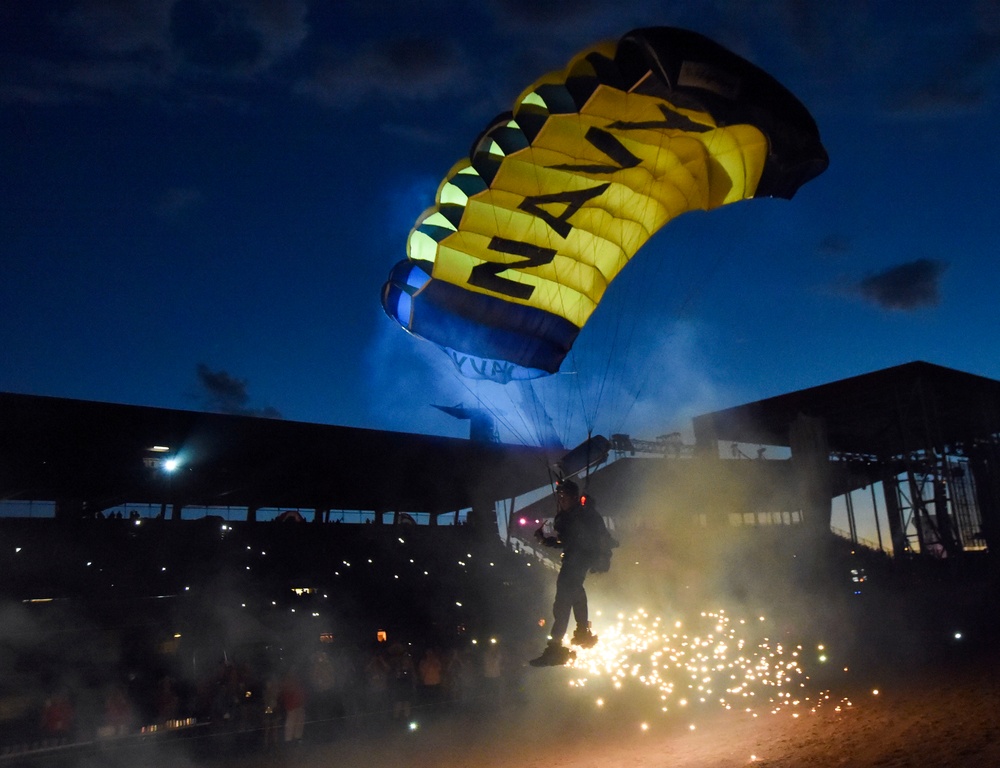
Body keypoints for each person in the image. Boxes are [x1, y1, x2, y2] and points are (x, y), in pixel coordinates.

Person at [530, 479, 611, 667]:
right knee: (573, 593)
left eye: (564, 496)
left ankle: (557, 646)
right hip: (574, 559)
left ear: (573, 497)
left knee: (564, 598)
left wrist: (603, 558)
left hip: (580, 559)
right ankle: (580, 633)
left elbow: (599, 537)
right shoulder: (569, 516)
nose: (561, 500)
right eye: (559, 497)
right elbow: (565, 542)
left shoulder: (585, 515)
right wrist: (544, 541)